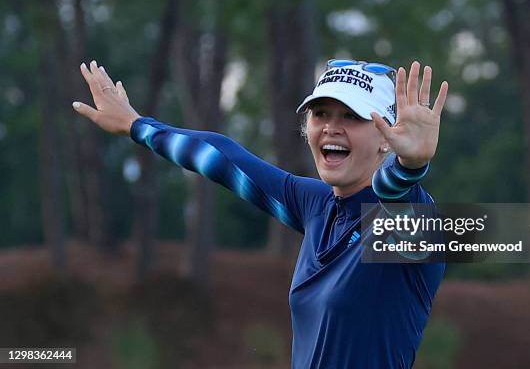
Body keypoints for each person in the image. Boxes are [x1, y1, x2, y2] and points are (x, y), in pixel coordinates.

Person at [73, 58, 448, 369]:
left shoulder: (404, 222)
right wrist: (137, 126)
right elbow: (225, 158)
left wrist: (410, 166)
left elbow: (397, 195)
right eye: (320, 113)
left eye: (351, 117)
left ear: (387, 136)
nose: (332, 127)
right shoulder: (315, 205)